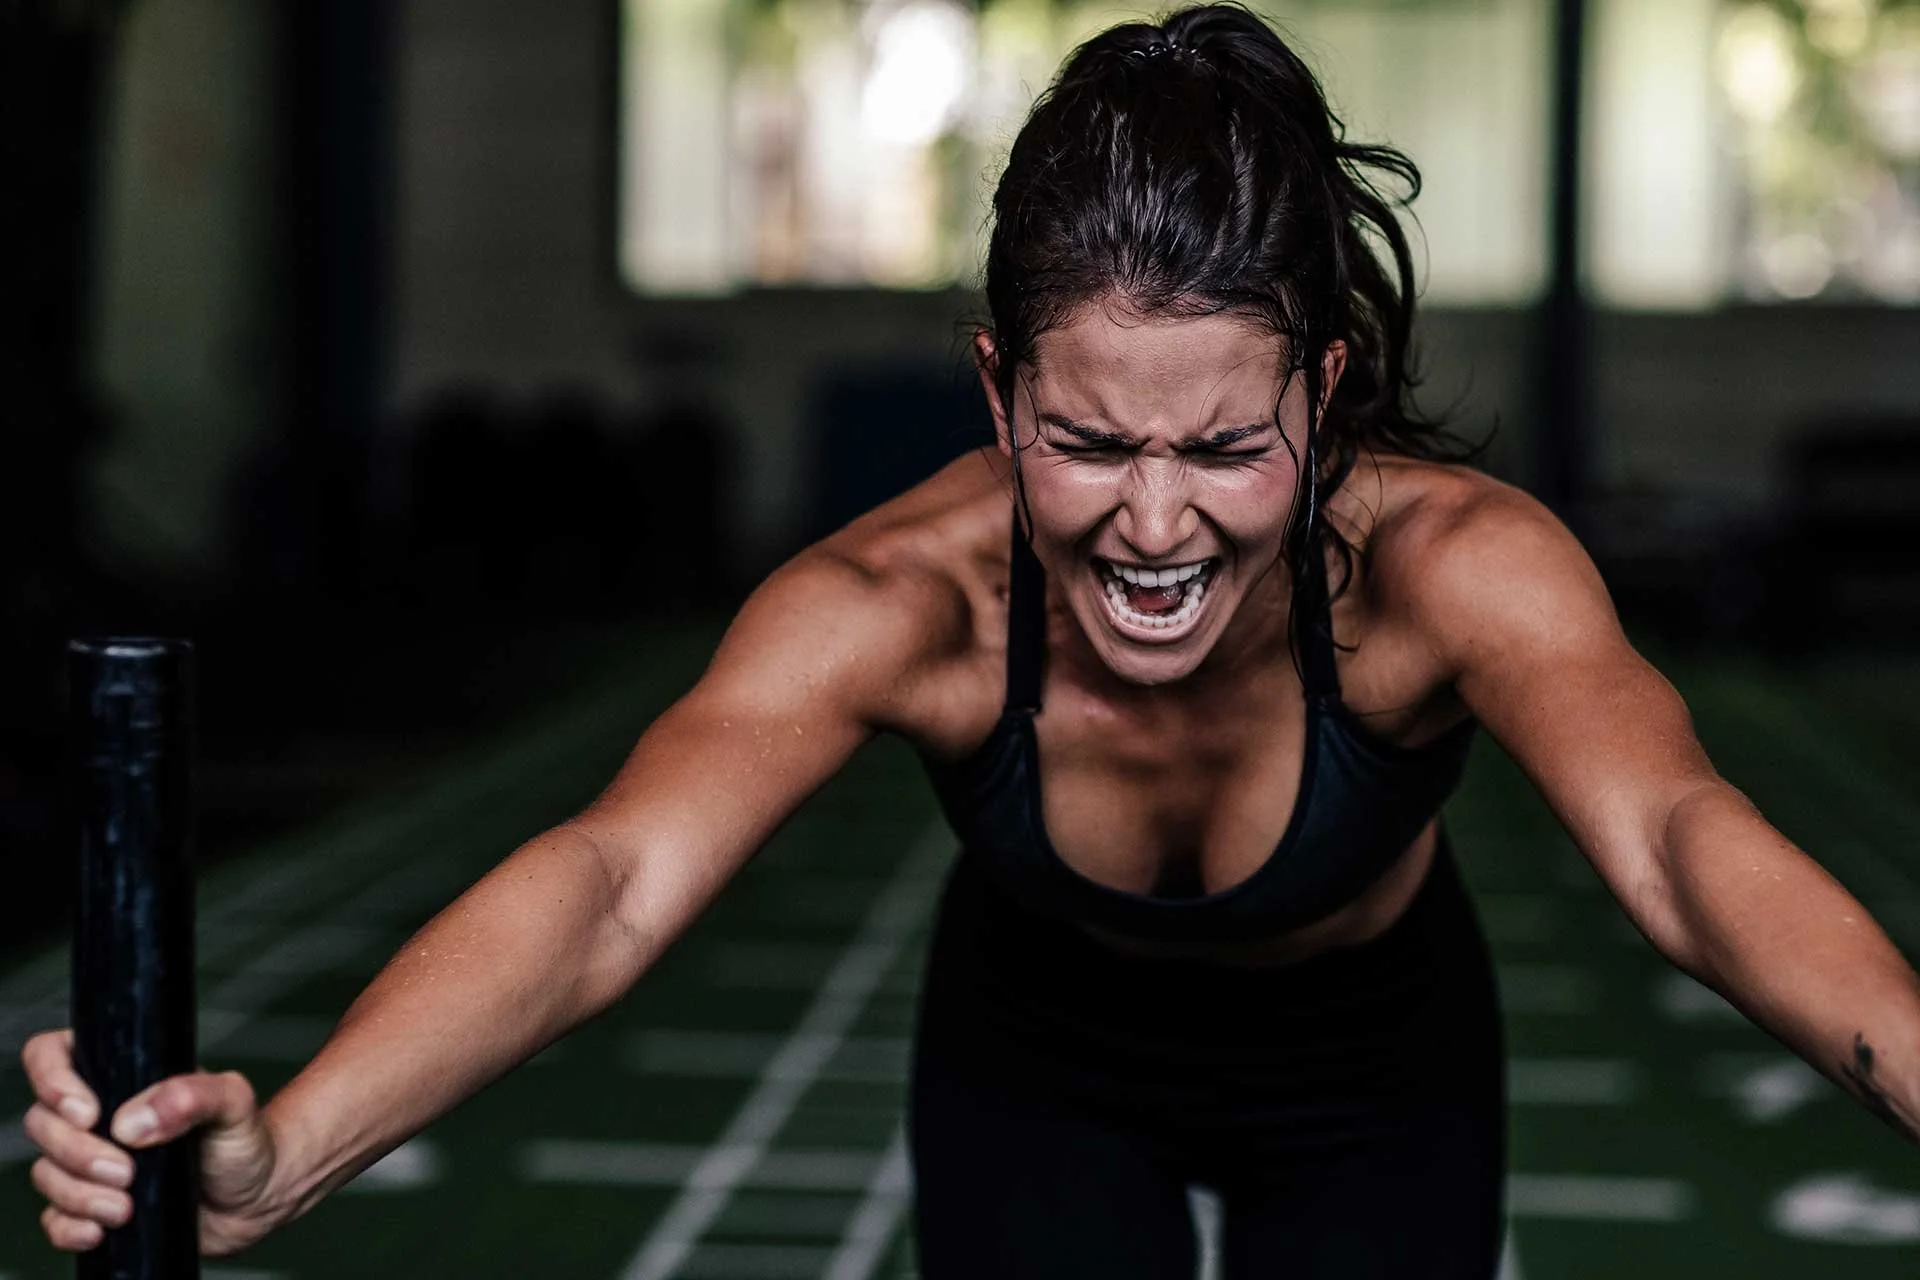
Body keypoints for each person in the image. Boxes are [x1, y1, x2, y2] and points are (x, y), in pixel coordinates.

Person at [21, 5, 1920, 1276]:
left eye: (1225, 449)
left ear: (1326, 391)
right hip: (1037, 1059)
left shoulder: (1452, 569)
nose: (1155, 526)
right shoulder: (898, 603)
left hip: (1376, 1068)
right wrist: (293, 1149)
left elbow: (1680, 847)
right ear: (1001, 391)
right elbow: (609, 887)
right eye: (1087, 443)